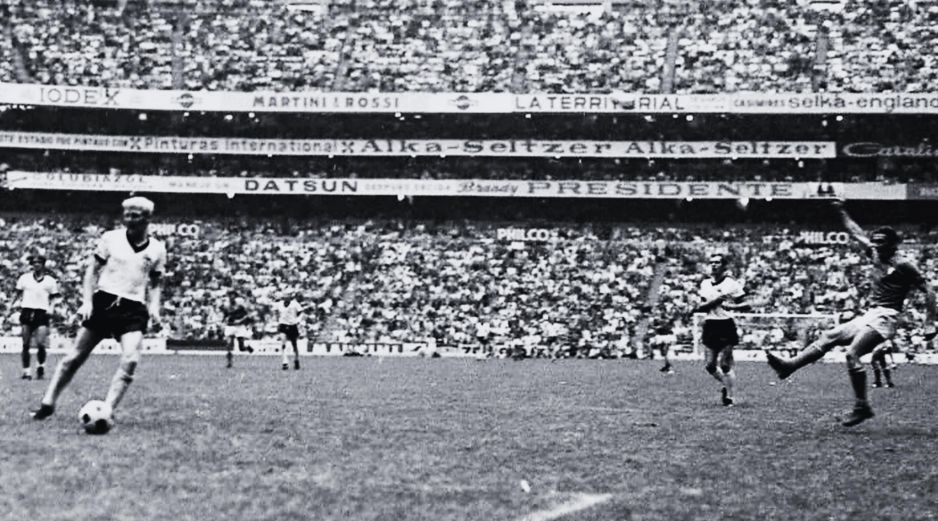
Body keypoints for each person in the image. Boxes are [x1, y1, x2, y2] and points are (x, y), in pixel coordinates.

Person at [767, 201, 937, 426]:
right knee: (829, 336)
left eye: (881, 243)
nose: (875, 247)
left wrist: (930, 321)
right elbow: (856, 232)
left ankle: (862, 407)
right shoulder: (876, 253)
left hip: (887, 316)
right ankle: (789, 366)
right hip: (872, 313)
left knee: (851, 354)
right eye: (874, 242)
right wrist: (841, 210)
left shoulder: (904, 264)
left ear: (893, 245)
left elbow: (929, 289)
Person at [31, 197, 166, 421]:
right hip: (104, 301)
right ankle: (48, 403)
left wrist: (155, 308)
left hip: (133, 308)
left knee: (131, 359)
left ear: (147, 218)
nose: (129, 220)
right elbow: (91, 271)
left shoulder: (157, 249)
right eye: (127, 215)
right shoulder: (110, 238)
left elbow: (156, 282)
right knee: (74, 357)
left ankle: (107, 411)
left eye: (135, 216)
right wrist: (87, 301)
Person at [689, 253, 751, 407]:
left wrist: (732, 306)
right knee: (710, 365)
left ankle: (729, 397)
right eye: (712, 263)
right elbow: (701, 307)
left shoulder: (731, 284)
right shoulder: (705, 284)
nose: (714, 265)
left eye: (717, 263)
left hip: (726, 324)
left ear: (724, 266)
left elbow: (746, 304)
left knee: (724, 364)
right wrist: (716, 301)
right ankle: (726, 385)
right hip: (711, 324)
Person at [16, 255, 61, 380]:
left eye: (39, 262)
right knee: (25, 343)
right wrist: (14, 305)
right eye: (34, 262)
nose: (36, 265)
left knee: (41, 343)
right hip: (27, 310)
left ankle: (40, 366)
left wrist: (51, 307)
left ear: (43, 264)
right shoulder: (24, 278)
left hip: (42, 312)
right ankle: (26, 371)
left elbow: (55, 297)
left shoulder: (50, 281)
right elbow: (18, 293)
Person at [275, 291, 304, 370]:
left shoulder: (295, 304)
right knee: (283, 343)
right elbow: (276, 312)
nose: (286, 298)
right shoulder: (279, 304)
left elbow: (301, 312)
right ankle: (285, 362)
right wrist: (278, 320)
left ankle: (296, 360)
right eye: (285, 296)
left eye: (287, 296)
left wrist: (297, 320)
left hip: (292, 325)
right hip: (283, 325)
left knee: (294, 345)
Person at [223, 293, 253, 368]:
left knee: (241, 348)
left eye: (232, 297)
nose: (231, 298)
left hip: (239, 327)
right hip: (230, 326)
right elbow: (225, 317)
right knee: (229, 344)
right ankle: (229, 362)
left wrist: (240, 320)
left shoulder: (240, 306)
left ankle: (247, 347)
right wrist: (225, 319)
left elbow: (247, 316)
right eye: (230, 297)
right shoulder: (226, 306)